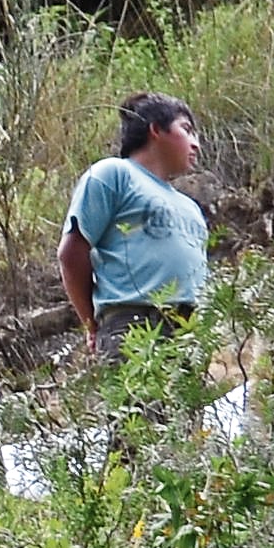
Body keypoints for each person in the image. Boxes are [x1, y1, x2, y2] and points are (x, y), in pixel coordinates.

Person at [62, 93, 210, 363]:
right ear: (155, 129)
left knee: (185, 407)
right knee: (140, 406)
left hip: (190, 334)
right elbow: (72, 252)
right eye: (186, 130)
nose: (196, 144)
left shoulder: (191, 208)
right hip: (134, 325)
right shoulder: (114, 174)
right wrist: (92, 322)